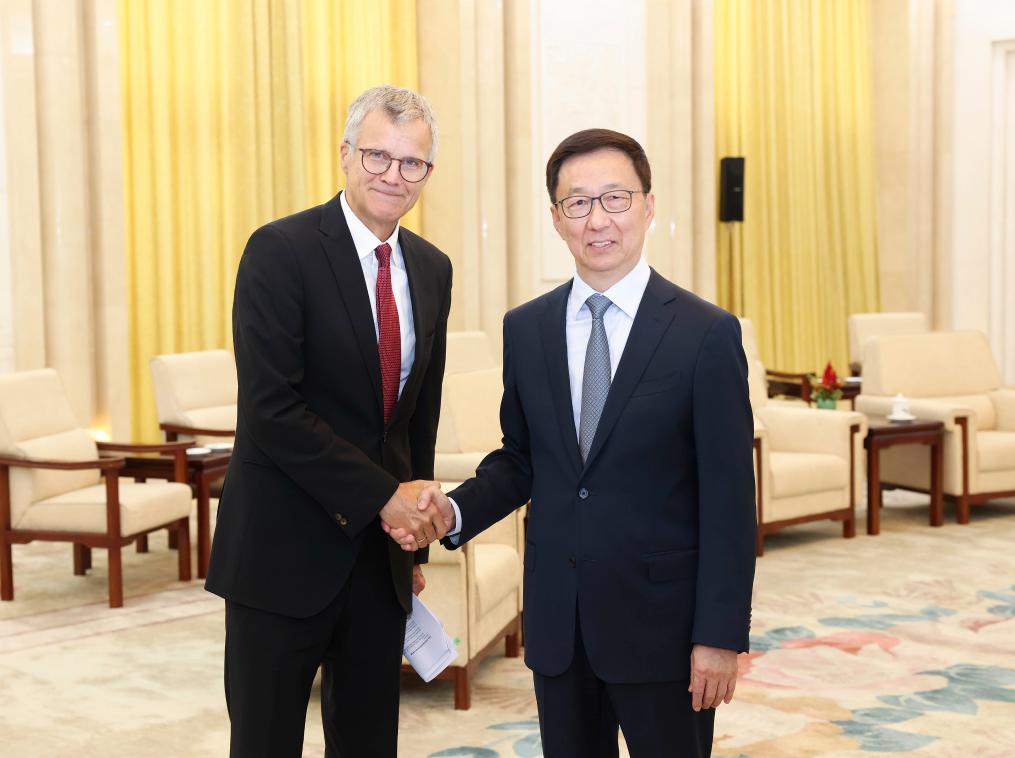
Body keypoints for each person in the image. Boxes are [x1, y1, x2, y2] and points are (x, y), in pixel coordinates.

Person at [389, 128, 756, 757]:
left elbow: (730, 499)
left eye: (615, 198)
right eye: (578, 202)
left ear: (648, 205)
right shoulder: (527, 328)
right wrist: (453, 511)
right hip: (561, 627)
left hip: (664, 630)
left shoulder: (706, 334)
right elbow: (521, 460)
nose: (598, 219)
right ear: (557, 218)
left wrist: (719, 635)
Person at [205, 85, 453, 758]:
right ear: (345, 154)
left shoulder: (432, 268)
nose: (393, 175)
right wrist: (384, 497)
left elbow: (416, 419)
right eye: (377, 155)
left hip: (378, 560)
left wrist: (412, 545)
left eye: (411, 162)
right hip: (280, 552)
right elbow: (272, 409)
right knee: (264, 743)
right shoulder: (279, 250)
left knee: (369, 742)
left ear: (427, 172)